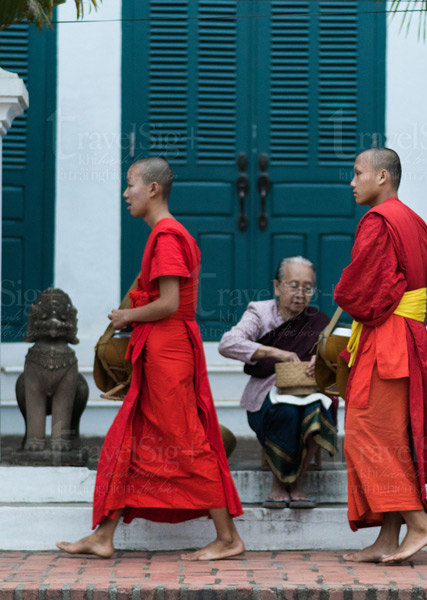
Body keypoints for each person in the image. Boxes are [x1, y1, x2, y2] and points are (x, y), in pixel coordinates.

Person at [57, 157, 244, 560]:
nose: (126, 193)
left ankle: (228, 538)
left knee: (186, 441)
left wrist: (127, 316)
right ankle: (104, 535)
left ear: (154, 189)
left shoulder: (167, 236)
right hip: (164, 348)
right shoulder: (166, 234)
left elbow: (170, 303)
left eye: (131, 184)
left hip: (169, 351)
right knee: (135, 439)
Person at [335, 147, 427, 564]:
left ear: (382, 177)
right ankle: (388, 538)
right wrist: (410, 330)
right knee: (395, 439)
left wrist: (352, 301)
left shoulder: (378, 221)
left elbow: (359, 293)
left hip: (385, 342)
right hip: (411, 337)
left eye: (358, 173)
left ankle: (419, 524)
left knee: (365, 434)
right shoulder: (417, 223)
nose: (352, 182)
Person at [218, 256, 337, 509]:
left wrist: (322, 359)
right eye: (293, 286)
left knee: (318, 411)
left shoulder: (319, 322)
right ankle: (278, 483)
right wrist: (275, 352)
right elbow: (228, 344)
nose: (300, 294)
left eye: (307, 288)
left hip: (308, 392)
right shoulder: (259, 313)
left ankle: (298, 482)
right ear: (277, 286)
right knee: (287, 412)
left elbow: (342, 354)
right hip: (266, 397)